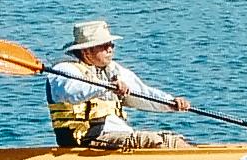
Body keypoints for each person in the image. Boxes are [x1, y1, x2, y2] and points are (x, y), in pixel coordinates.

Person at [34, 20, 189, 151]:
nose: (110, 48)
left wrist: (171, 103)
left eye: (111, 44)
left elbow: (142, 93)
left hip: (118, 135)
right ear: (86, 51)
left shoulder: (112, 70)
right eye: (104, 45)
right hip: (86, 139)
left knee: (172, 140)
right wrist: (106, 86)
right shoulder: (63, 70)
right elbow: (72, 92)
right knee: (154, 141)